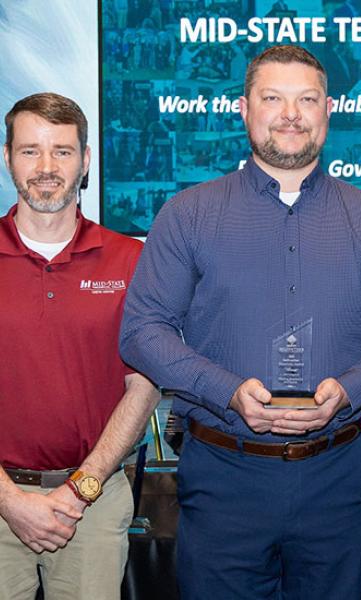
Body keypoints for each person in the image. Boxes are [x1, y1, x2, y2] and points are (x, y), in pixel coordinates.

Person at [119, 45, 361, 599]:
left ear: (328, 109)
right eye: (273, 98)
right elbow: (143, 330)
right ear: (245, 108)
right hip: (223, 477)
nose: (291, 113)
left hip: (336, 477)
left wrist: (351, 388)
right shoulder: (188, 214)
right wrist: (228, 390)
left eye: (306, 99)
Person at [0, 93, 159, 600]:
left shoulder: (132, 261)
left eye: (62, 151)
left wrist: (79, 489)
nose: (46, 167)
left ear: (85, 160)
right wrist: (10, 500)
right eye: (30, 151)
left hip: (92, 503)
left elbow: (144, 386)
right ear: (7, 158)